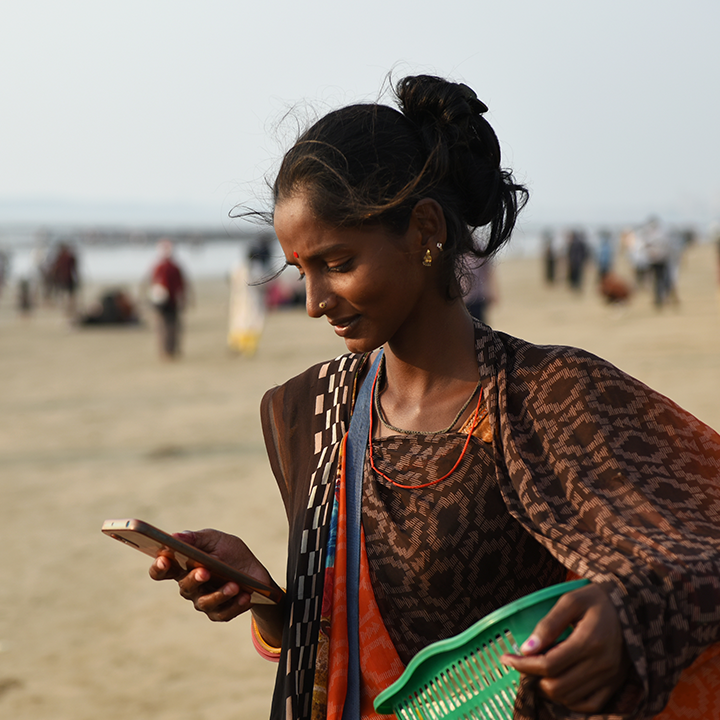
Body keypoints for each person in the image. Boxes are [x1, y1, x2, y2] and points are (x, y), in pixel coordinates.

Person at [149, 75, 720, 720]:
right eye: (299, 271)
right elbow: (344, 648)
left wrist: (626, 618)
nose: (313, 303)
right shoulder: (309, 411)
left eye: (337, 263)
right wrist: (272, 603)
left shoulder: (554, 398)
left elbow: (700, 551)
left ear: (424, 230)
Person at [146, 239, 189, 359]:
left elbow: (181, 285)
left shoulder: (170, 267)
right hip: (164, 301)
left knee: (169, 326)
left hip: (169, 301)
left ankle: (169, 350)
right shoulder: (161, 267)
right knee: (167, 326)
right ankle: (168, 350)